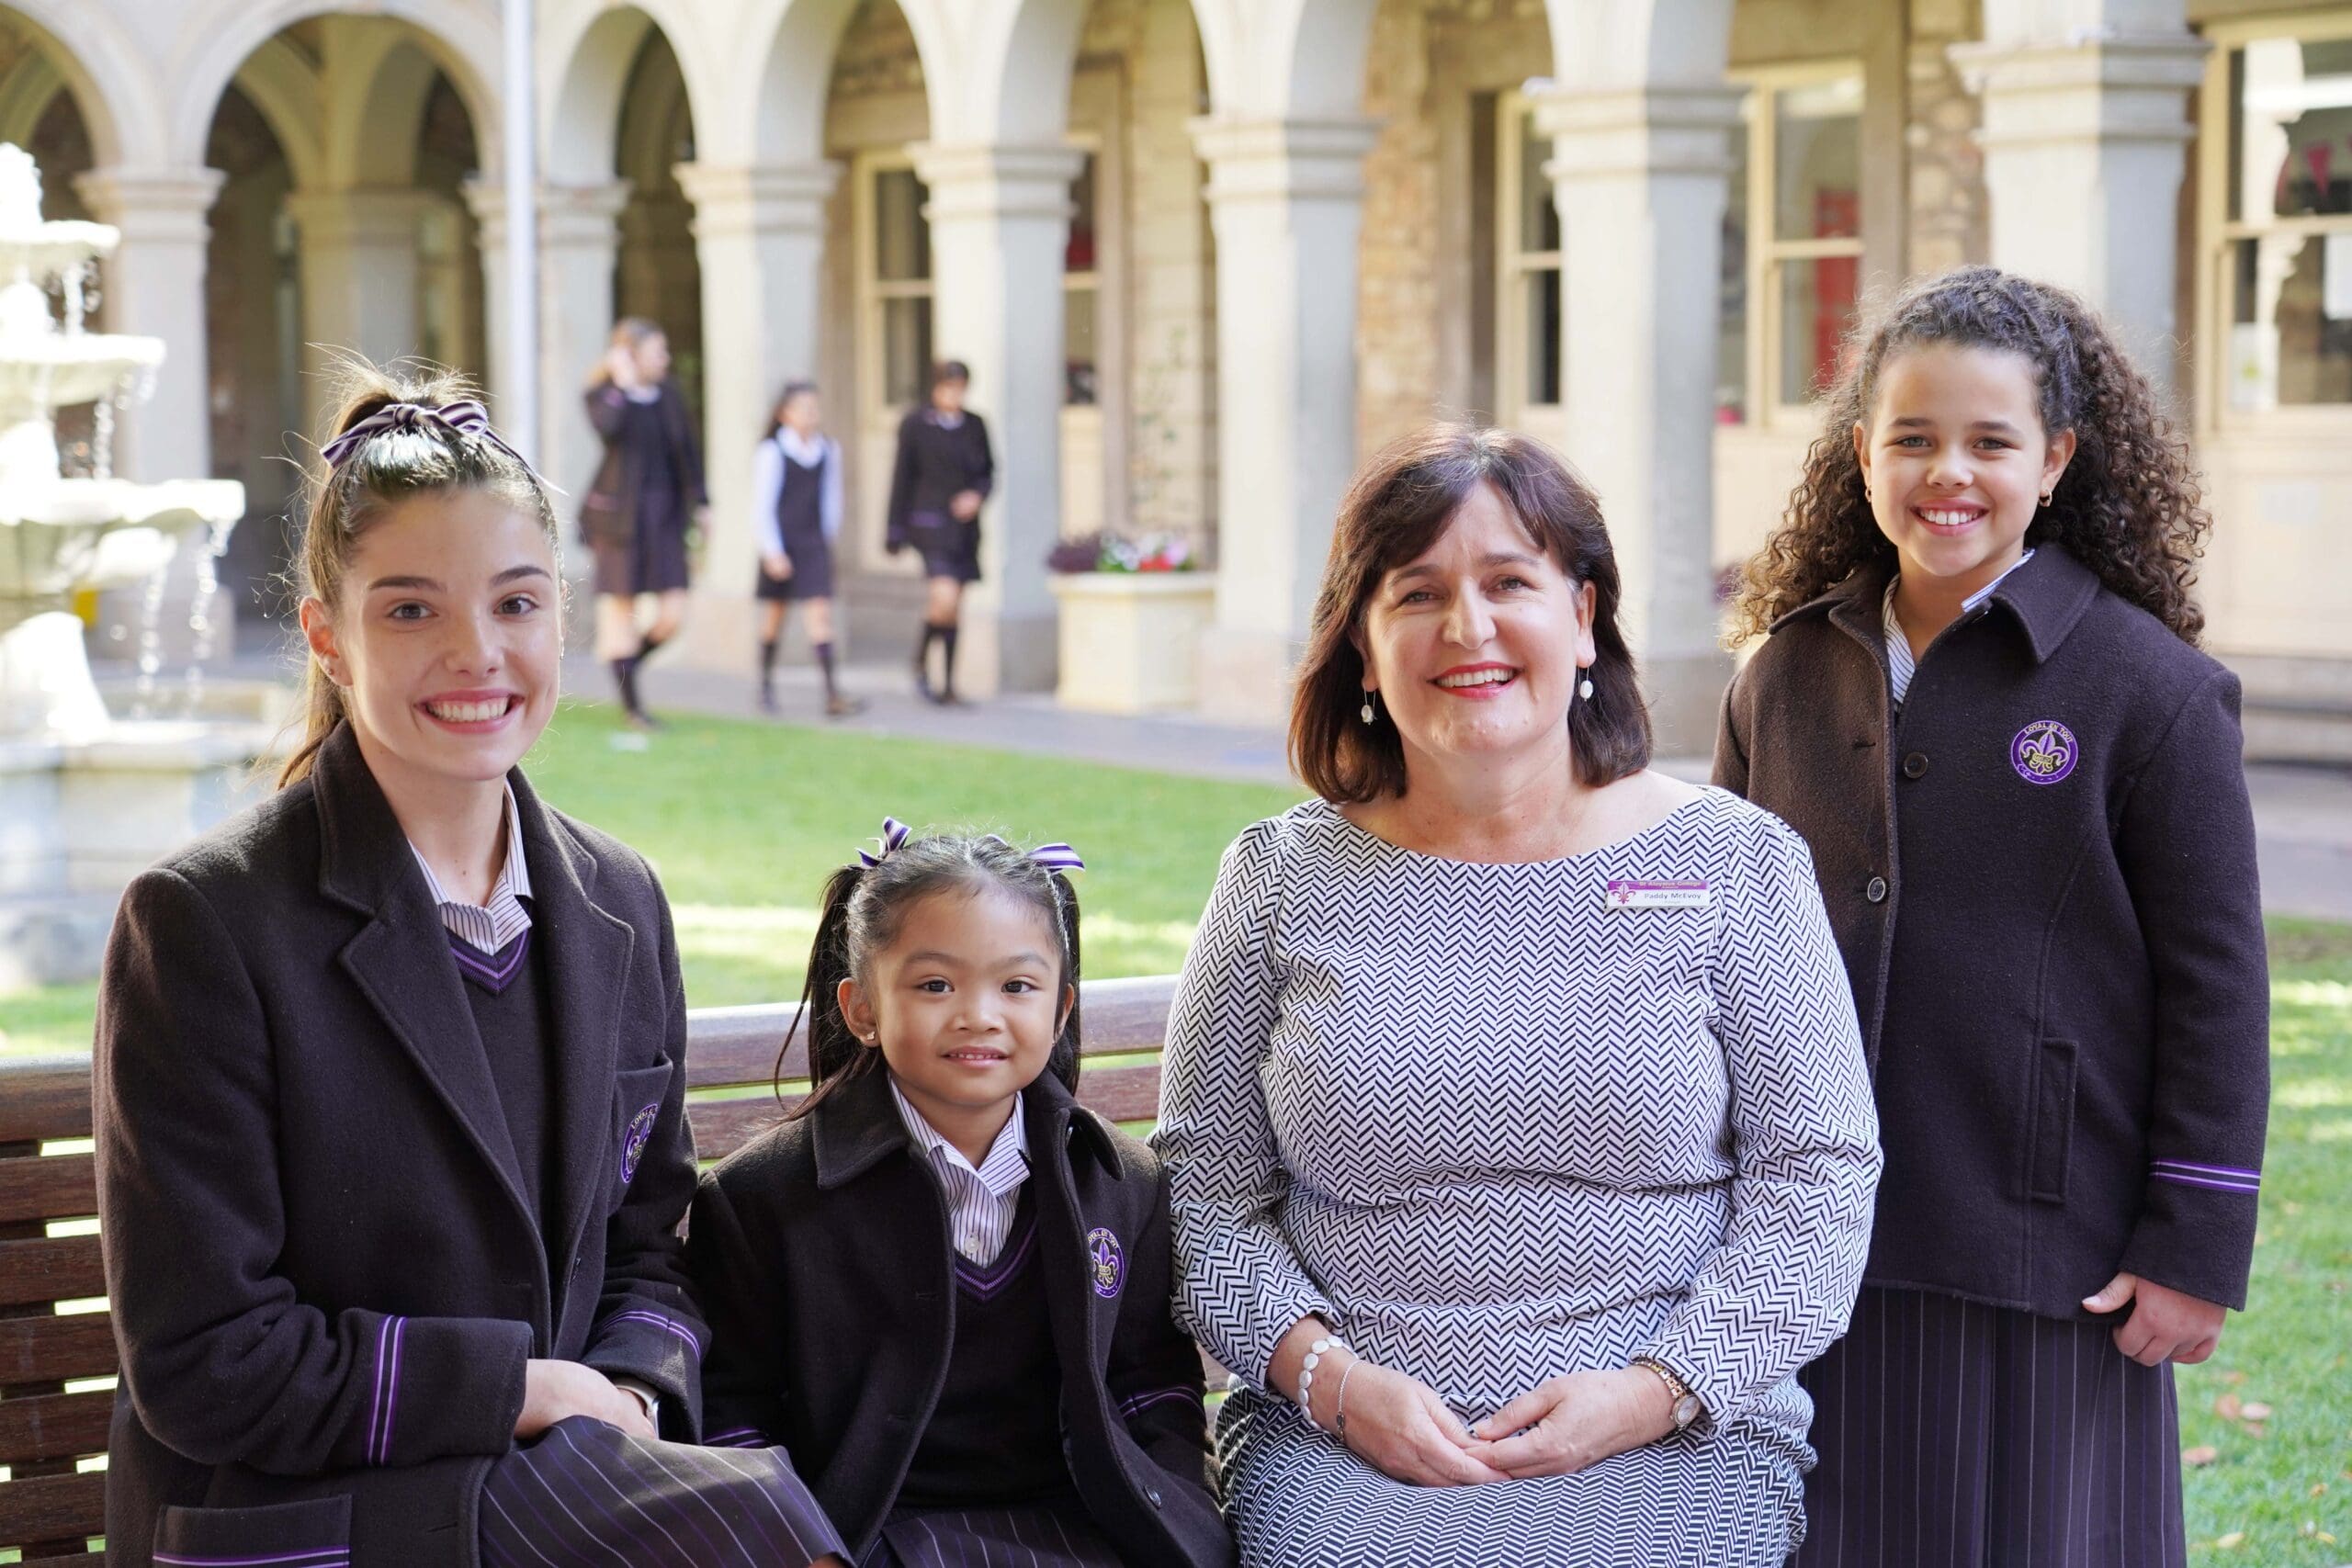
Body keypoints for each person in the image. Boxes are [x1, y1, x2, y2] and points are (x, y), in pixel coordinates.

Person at [93, 364, 842, 1568]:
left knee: (767, 1517)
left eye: (516, 603)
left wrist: (629, 1399)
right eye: (409, 609)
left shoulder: (618, 899)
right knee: (760, 1526)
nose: (475, 653)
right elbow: (206, 1357)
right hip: (306, 1514)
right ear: (327, 636)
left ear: (560, 613)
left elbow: (654, 1240)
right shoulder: (204, 924)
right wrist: (526, 1390)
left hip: (567, 1483)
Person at [1155, 425, 1882, 1567]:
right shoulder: (1279, 879)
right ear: (1360, 642)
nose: (1468, 628)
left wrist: (1660, 1389)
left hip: (1672, 1434)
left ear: (1583, 617)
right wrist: (1332, 1384)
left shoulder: (1737, 865)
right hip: (1347, 1439)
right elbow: (1206, 1199)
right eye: (1419, 594)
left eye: (1508, 583)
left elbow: (1820, 1178)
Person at [1715, 265, 2271, 1567]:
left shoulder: (2155, 690)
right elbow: (1712, 941)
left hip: (2046, 1243)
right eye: (1911, 437)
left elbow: (2220, 986)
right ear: (1861, 453)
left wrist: (2194, 1237)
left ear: (2057, 457)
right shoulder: (1784, 671)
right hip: (1806, 1240)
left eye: (1989, 441)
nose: (1946, 472)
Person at [691, 824, 1229, 1568]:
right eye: (935, 984)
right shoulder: (762, 1198)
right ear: (862, 1010)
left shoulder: (1120, 1184)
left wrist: (1181, 1518)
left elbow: (1153, 1387)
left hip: (1082, 1527)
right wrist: (800, 1547)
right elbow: (728, 1413)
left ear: (1061, 1008)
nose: (979, 1013)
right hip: (864, 1535)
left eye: (1017, 985)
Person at [582, 317, 706, 728]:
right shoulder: (604, 395)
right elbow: (608, 430)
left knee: (673, 615)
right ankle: (634, 707)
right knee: (623, 613)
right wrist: (623, 384)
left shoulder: (669, 395)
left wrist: (703, 504)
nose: (666, 358)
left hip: (666, 515)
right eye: (658, 351)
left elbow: (687, 450)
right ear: (631, 354)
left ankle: (627, 667)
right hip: (620, 519)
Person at [885, 360, 992, 704]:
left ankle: (947, 682)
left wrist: (977, 495)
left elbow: (988, 470)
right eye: (950, 387)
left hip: (964, 529)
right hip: (930, 524)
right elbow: (902, 476)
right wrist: (894, 527)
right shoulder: (917, 424)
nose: (956, 394)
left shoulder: (975, 425)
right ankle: (919, 662)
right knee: (943, 598)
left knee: (953, 606)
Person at [753, 379, 863, 717]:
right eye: (804, 408)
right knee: (775, 616)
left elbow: (832, 499)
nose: (811, 415)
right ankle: (766, 685)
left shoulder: (827, 449)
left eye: (814, 408)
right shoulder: (772, 452)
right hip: (782, 542)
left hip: (812, 542)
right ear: (785, 414)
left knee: (821, 616)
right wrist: (772, 550)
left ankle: (832, 693)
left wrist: (824, 539)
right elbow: (762, 506)